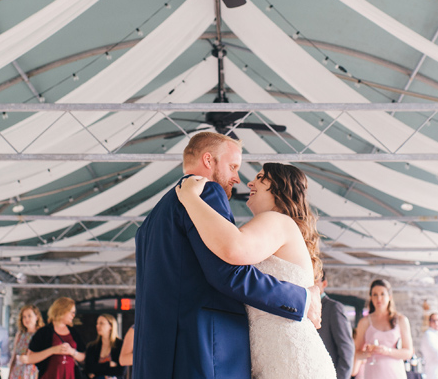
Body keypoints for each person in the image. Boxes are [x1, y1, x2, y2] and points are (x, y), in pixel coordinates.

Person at [134, 132, 321, 379]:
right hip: (204, 348)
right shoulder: (206, 192)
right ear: (209, 161)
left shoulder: (151, 220)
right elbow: (228, 271)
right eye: (233, 166)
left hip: (159, 352)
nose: (238, 179)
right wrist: (302, 299)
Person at [176, 159, 335, 378]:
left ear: (279, 187)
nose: (250, 183)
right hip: (276, 358)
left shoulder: (277, 220)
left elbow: (232, 247)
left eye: (260, 178)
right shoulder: (280, 225)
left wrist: (190, 198)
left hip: (289, 361)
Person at [352, 279, 413, 379]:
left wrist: (387, 351)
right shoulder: (364, 322)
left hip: (395, 373)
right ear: (371, 297)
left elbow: (408, 352)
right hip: (373, 373)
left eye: (382, 294)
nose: (378, 298)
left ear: (390, 297)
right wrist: (367, 353)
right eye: (375, 295)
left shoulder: (401, 320)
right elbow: (357, 353)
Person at [27, 298, 85, 379]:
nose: (73, 315)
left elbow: (83, 357)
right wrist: (53, 350)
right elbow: (30, 358)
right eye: (71, 312)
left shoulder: (74, 332)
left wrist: (72, 352)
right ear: (62, 311)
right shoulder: (44, 332)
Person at [318, 272, 355, 379]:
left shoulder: (334, 308)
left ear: (324, 283)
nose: (312, 282)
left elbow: (346, 349)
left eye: (315, 279)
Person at [83, 315, 122, 379]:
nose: (97, 326)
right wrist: (108, 364)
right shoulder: (92, 347)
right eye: (97, 323)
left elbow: (120, 371)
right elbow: (88, 369)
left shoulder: (120, 344)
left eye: (101, 323)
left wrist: (97, 371)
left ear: (111, 326)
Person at [9, 305, 43, 379]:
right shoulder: (20, 335)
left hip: (32, 373)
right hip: (17, 372)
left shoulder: (41, 334)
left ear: (36, 317)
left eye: (29, 316)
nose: (26, 319)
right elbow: (14, 357)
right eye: (24, 317)